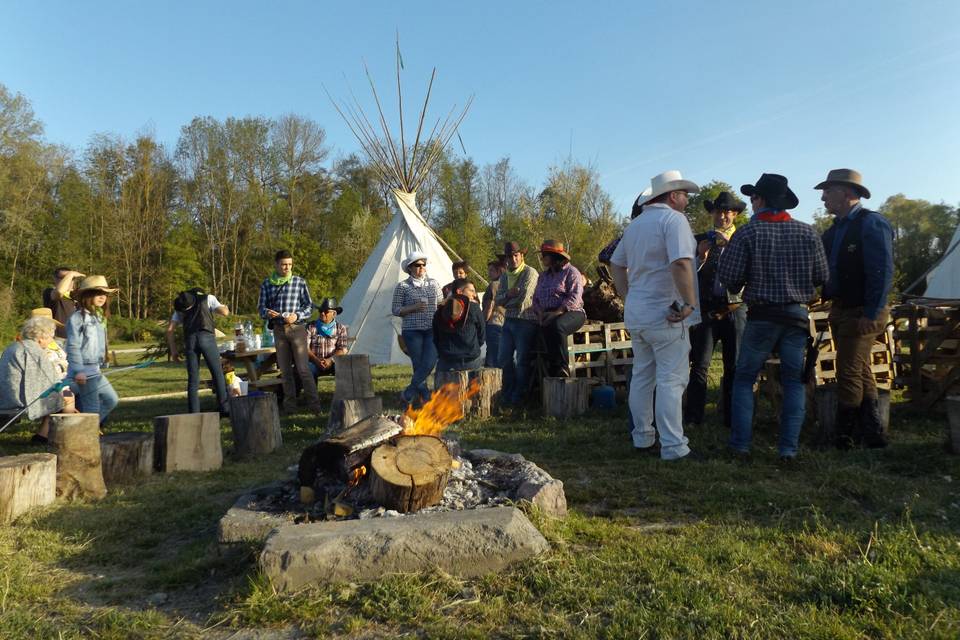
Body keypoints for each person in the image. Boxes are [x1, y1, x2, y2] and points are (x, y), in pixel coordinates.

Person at [718, 173, 829, 460]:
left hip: (762, 315)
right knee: (793, 381)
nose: (751, 202)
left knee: (744, 379)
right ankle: (788, 449)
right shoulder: (808, 233)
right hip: (796, 316)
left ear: (761, 200)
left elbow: (729, 278)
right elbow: (822, 276)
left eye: (752, 197)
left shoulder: (747, 233)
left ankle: (740, 445)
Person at [610, 170, 701, 461]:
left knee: (643, 377)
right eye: (684, 194)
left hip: (638, 311)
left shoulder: (635, 226)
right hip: (665, 312)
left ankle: (643, 438)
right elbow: (681, 263)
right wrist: (689, 303)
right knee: (671, 380)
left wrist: (628, 296)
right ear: (673, 196)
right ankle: (674, 446)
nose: (686, 199)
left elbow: (615, 263)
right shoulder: (674, 220)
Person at [816, 169, 894, 449]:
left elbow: (881, 270)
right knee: (860, 368)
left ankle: (844, 435)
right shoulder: (834, 230)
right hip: (843, 307)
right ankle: (873, 433)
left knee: (848, 369)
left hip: (862, 309)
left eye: (828, 191)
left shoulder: (871, 224)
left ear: (847, 193)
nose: (823, 197)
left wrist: (871, 313)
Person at [685, 192, 748, 429]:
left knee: (734, 365)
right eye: (719, 211)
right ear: (712, 213)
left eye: (727, 212)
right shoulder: (699, 239)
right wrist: (700, 257)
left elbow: (750, 270)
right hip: (707, 309)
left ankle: (731, 419)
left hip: (735, 308)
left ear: (735, 215)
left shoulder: (743, 238)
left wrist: (730, 246)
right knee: (699, 364)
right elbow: (685, 275)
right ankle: (693, 418)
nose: (723, 216)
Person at [258, 250, 321, 415]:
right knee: (285, 371)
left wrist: (297, 315)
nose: (287, 267)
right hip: (278, 330)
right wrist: (267, 313)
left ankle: (314, 406)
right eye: (284, 264)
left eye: (290, 264)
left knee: (303, 369)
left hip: (297, 329)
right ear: (276, 264)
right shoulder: (267, 284)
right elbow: (260, 308)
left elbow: (309, 306)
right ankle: (290, 407)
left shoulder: (299, 282)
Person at [0, 315, 75, 443]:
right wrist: (64, 389)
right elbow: (52, 382)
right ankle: (60, 435)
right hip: (19, 400)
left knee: (56, 396)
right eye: (51, 337)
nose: (51, 341)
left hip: (6, 396)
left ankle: (44, 434)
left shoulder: (14, 346)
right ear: (41, 338)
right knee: (68, 396)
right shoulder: (36, 351)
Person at [166, 288, 231, 415]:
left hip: (190, 341)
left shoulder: (180, 306)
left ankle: (194, 413)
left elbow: (169, 330)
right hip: (207, 337)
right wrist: (226, 307)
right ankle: (224, 408)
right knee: (217, 373)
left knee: (193, 379)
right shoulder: (208, 298)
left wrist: (174, 351)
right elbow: (224, 312)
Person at [66, 275, 120, 425]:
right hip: (84, 371)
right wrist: (78, 370)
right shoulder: (77, 318)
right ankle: (86, 434)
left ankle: (85, 428)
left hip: (95, 370)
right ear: (87, 295)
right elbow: (73, 346)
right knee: (92, 407)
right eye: (98, 293)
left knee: (111, 400)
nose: (102, 297)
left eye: (104, 294)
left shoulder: (99, 317)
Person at [392, 251, 443, 406]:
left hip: (431, 329)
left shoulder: (433, 283)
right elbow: (395, 310)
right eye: (417, 265)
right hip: (412, 331)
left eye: (423, 265)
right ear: (410, 268)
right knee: (418, 364)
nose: (421, 267)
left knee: (429, 362)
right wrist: (414, 307)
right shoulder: (402, 286)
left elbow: (441, 302)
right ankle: (426, 399)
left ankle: (408, 393)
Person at [495, 241, 540, 409]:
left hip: (526, 320)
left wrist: (505, 299)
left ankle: (520, 396)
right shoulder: (505, 276)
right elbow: (497, 300)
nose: (513, 259)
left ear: (522, 256)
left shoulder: (530, 273)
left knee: (522, 360)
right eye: (510, 256)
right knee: (504, 358)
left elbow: (523, 300)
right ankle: (509, 392)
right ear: (506, 258)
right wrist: (508, 294)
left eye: (516, 255)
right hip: (509, 321)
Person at [532, 240, 586, 377]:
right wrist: (540, 313)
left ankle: (562, 367)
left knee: (557, 325)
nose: (542, 258)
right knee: (539, 329)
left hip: (572, 312)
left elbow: (575, 297)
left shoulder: (571, 272)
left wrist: (557, 312)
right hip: (548, 313)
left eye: (544, 255)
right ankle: (550, 369)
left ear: (553, 256)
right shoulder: (543, 276)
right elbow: (536, 298)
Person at [433, 278, 485, 372]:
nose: (474, 294)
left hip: (446, 360)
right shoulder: (474, 308)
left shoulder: (439, 311)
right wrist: (474, 346)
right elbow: (482, 334)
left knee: (444, 386)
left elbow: (435, 337)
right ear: (459, 291)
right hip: (470, 359)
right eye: (471, 291)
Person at [306, 298, 349, 379]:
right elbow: (305, 348)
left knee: (345, 368)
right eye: (320, 311)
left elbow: (342, 349)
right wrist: (316, 360)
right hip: (314, 362)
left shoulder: (340, 328)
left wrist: (330, 360)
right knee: (308, 369)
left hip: (333, 362)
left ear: (334, 314)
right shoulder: (310, 326)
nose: (322, 313)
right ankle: (312, 392)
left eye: (326, 311)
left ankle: (344, 391)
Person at [42, 267, 85, 340]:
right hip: (57, 339)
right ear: (55, 279)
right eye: (64, 277)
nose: (68, 280)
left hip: (76, 339)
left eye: (72, 278)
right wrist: (71, 274)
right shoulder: (49, 292)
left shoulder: (77, 296)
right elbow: (59, 292)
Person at [482, 258, 506, 367]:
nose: (489, 273)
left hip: (493, 322)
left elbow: (489, 306)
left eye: (491, 270)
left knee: (492, 357)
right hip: (503, 323)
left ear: (499, 271)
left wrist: (484, 321)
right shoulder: (506, 283)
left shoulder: (494, 285)